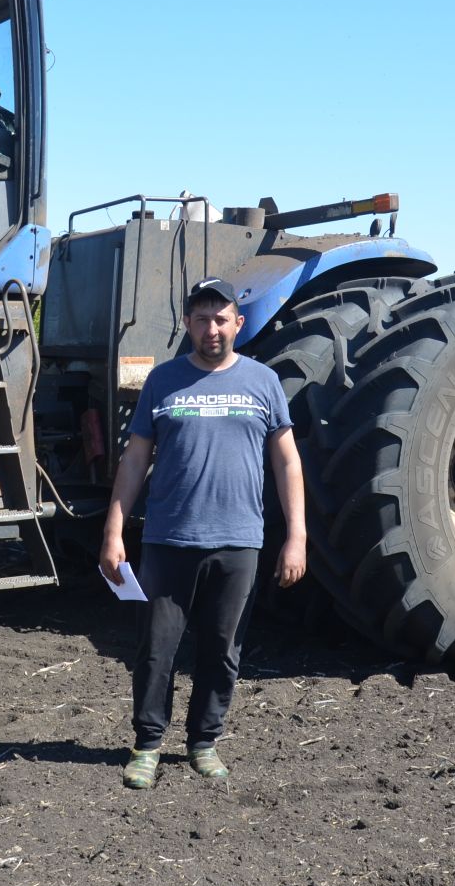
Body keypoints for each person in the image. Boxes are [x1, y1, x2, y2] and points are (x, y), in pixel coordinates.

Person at [99, 277, 307, 789]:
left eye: (220, 319)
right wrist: (113, 530)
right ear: (188, 324)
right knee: (155, 648)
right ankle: (147, 744)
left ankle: (204, 742)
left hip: (239, 541)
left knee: (222, 649)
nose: (210, 328)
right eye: (200, 319)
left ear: (238, 323)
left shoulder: (263, 383)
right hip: (169, 540)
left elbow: (287, 463)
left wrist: (296, 535)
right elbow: (134, 460)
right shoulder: (163, 382)